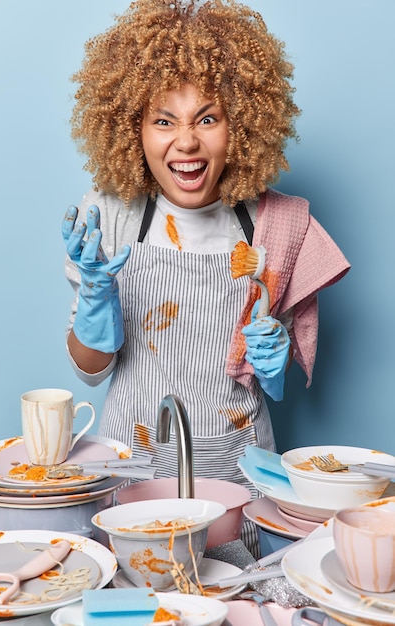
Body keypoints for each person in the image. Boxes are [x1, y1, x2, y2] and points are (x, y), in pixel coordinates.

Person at [62, 0, 350, 553]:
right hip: (131, 470)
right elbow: (90, 372)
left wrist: (274, 362)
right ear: (132, 127)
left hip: (241, 477)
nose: (186, 143)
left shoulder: (276, 224)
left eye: (208, 118)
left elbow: (276, 386)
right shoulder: (112, 215)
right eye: (163, 120)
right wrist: (97, 305)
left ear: (240, 124)